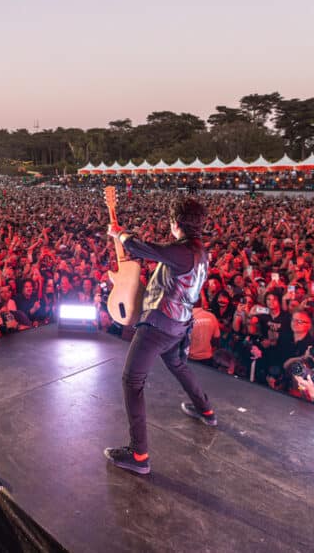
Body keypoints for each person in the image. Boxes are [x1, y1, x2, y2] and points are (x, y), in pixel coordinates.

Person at [104, 196, 216, 476]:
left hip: (159, 324)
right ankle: (206, 410)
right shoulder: (201, 252)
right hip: (178, 324)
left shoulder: (183, 251)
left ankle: (139, 454)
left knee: (132, 380)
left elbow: (143, 248)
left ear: (176, 224)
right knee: (178, 365)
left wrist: (119, 233)